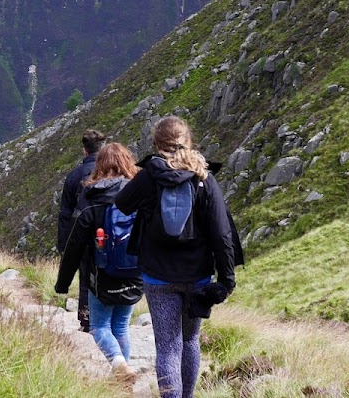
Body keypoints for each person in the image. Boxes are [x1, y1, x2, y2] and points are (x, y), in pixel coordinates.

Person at [114, 116, 241, 398]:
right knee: (190, 340)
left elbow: (122, 204)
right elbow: (221, 233)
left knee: (168, 347)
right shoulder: (204, 178)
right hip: (197, 276)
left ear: (157, 144)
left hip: (157, 276)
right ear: (189, 141)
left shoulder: (149, 176)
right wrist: (227, 279)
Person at [54, 142, 143, 379]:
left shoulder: (92, 198)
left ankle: (118, 365)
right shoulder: (141, 197)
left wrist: (63, 283)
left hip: (100, 274)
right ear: (128, 164)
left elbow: (74, 245)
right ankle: (122, 373)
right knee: (121, 326)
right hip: (134, 272)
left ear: (100, 165)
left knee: (99, 326)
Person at [57, 129, 105, 332]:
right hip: (110, 233)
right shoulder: (114, 172)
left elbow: (66, 214)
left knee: (86, 277)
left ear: (84, 150)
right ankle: (110, 317)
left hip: (83, 235)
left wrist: (64, 245)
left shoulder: (74, 176)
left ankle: (87, 320)